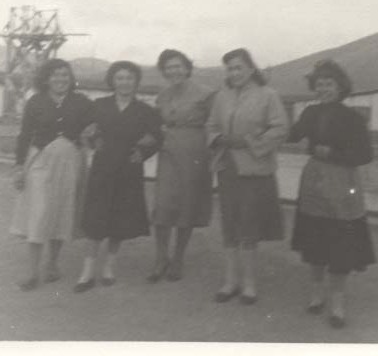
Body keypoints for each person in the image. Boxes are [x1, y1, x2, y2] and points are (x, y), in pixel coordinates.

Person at [287, 59, 375, 328]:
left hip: (343, 182)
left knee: (340, 243)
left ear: (340, 87)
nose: (324, 88)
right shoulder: (310, 112)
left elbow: (365, 155)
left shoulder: (353, 118)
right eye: (320, 84)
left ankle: (337, 301)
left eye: (330, 84)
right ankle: (316, 294)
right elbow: (291, 135)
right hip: (314, 181)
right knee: (315, 239)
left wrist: (333, 154)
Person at [207, 48, 288, 305]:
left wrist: (250, 142)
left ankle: (250, 284)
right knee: (229, 223)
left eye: (239, 67)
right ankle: (230, 282)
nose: (234, 73)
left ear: (251, 69)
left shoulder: (268, 95)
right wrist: (219, 138)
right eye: (230, 68)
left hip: (254, 168)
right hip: (227, 166)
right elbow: (211, 126)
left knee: (249, 224)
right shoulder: (222, 96)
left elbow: (281, 128)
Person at [75, 61, 163, 293]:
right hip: (103, 168)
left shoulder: (145, 111)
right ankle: (87, 271)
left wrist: (142, 153)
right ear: (113, 81)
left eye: (129, 78)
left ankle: (109, 267)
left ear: (136, 82)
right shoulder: (99, 106)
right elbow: (85, 130)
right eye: (120, 78)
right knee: (95, 220)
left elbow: (156, 137)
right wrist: (94, 141)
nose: (125, 82)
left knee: (119, 222)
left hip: (128, 170)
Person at [9, 59, 94, 291]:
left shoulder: (81, 102)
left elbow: (98, 123)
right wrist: (18, 166)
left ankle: (52, 265)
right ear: (46, 78)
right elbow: (25, 134)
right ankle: (33, 272)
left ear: (71, 78)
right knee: (39, 212)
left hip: (69, 161)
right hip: (40, 161)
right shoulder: (35, 101)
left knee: (60, 212)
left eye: (65, 75)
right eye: (55, 75)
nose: (61, 79)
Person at [148, 49, 214, 283]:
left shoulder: (206, 93)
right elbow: (155, 123)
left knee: (187, 205)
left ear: (187, 68)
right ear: (164, 72)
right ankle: (161, 257)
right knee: (163, 205)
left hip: (194, 152)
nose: (173, 71)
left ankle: (178, 258)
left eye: (178, 66)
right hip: (168, 152)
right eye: (168, 67)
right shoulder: (162, 95)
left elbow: (215, 124)